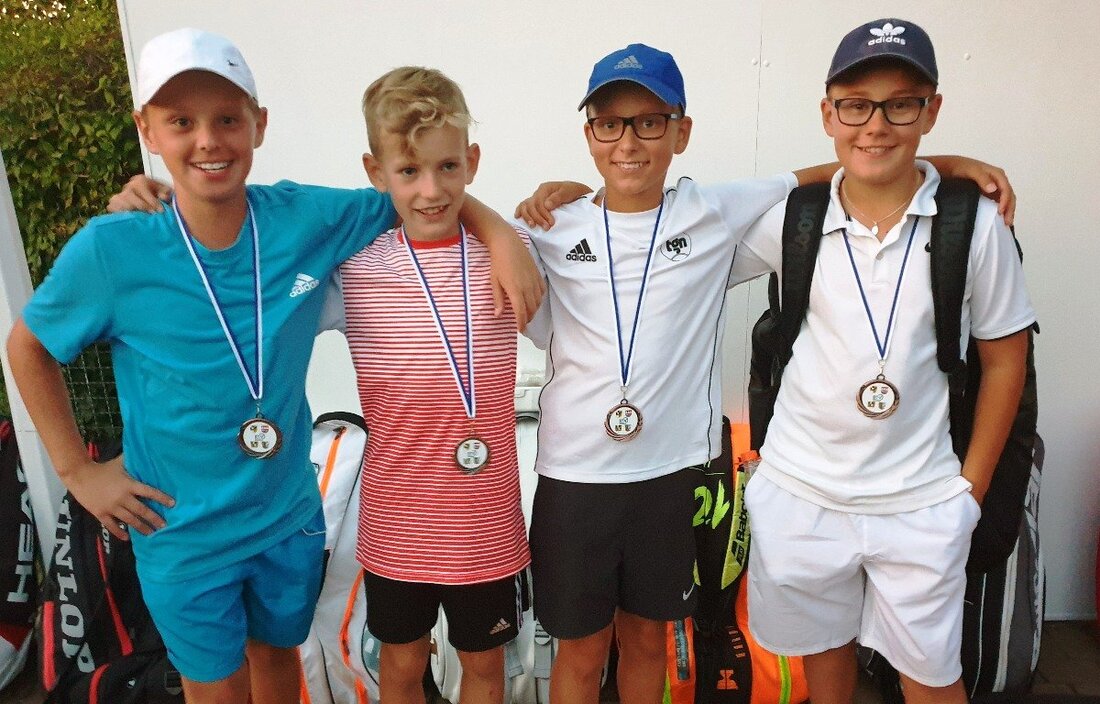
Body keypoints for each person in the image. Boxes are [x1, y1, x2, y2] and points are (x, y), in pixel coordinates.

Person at [5, 28, 539, 704]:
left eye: (227, 118)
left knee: (282, 671)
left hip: (285, 517)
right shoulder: (116, 247)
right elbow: (27, 347)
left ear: (258, 124)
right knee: (218, 691)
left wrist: (499, 234)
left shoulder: (304, 218)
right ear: (147, 129)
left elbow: (426, 193)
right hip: (183, 531)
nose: (208, 140)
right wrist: (76, 470)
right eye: (181, 122)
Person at [513, 43, 1017, 704]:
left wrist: (947, 165)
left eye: (650, 121)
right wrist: (542, 199)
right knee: (579, 652)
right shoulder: (547, 230)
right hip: (574, 477)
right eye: (610, 123)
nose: (629, 140)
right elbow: (479, 234)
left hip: (670, 476)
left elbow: (838, 170)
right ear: (589, 134)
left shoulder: (714, 213)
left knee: (647, 642)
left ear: (681, 131)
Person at [725, 19, 1034, 704]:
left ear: (931, 110)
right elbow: (674, 231)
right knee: (824, 667)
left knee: (931, 678)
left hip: (921, 500)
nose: (877, 125)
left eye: (901, 104)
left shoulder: (973, 225)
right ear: (828, 112)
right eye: (856, 105)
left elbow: (1007, 361)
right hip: (803, 494)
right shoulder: (792, 220)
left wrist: (967, 496)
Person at [321, 66, 530, 704]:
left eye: (447, 168)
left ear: (471, 160)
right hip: (395, 525)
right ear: (375, 170)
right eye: (409, 172)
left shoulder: (513, 251)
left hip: (484, 522)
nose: (431, 190)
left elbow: (590, 226)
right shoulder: (354, 267)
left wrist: (524, 213)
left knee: (486, 670)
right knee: (402, 670)